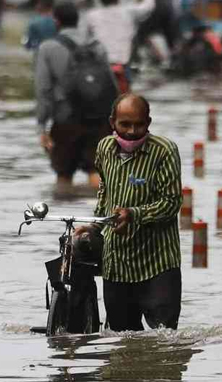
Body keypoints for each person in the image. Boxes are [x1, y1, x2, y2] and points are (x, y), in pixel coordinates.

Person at [75, 93, 183, 331]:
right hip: (117, 264)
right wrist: (95, 226)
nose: (133, 131)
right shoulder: (104, 148)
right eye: (125, 124)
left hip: (158, 263)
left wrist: (134, 214)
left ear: (149, 123)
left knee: (164, 342)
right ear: (113, 122)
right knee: (122, 341)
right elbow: (105, 193)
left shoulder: (164, 151)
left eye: (139, 124)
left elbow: (171, 202)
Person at [35, 2, 113, 192]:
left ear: (56, 21)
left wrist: (41, 127)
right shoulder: (97, 46)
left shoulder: (48, 48)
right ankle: (99, 217)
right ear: (78, 21)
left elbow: (43, 90)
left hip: (65, 119)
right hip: (98, 117)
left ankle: (65, 217)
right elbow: (110, 83)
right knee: (96, 172)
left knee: (64, 174)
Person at [82, 0, 155, 93]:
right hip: (122, 67)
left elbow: (87, 43)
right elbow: (148, 5)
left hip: (101, 69)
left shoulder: (91, 16)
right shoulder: (128, 12)